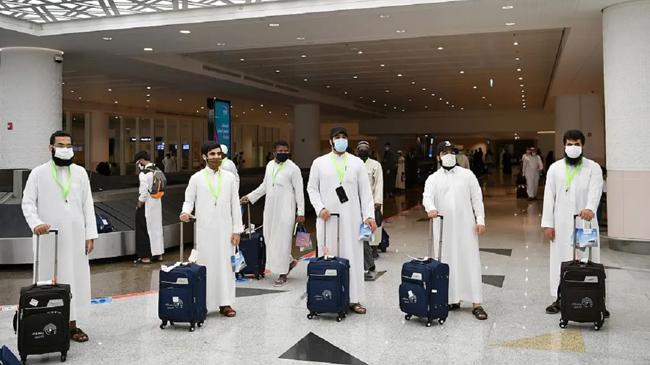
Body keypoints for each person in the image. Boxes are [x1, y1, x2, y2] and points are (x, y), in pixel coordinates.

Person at [22, 130, 97, 343]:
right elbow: (27, 202)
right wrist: (36, 224)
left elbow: (87, 204)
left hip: (75, 238)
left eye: (68, 145)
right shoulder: (38, 173)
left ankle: (73, 325)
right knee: (49, 280)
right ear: (51, 148)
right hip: (49, 240)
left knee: (76, 279)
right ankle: (45, 324)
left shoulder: (80, 173)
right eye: (61, 145)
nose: (65, 149)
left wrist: (90, 234)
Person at [307, 127, 377, 314]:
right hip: (327, 218)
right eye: (337, 138)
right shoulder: (319, 163)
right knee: (328, 256)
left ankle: (354, 299)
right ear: (330, 141)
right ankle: (327, 297)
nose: (341, 140)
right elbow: (312, 188)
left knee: (352, 256)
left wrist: (368, 215)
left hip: (352, 218)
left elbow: (365, 192)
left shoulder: (356, 163)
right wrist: (319, 208)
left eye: (344, 137)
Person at [541, 130, 608, 317]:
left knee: (588, 260)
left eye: (576, 144)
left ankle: (596, 299)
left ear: (583, 145)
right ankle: (559, 297)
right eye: (569, 144)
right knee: (560, 259)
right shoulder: (555, 168)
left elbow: (596, 190)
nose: (573, 147)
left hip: (585, 224)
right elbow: (549, 197)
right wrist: (548, 224)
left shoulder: (593, 167)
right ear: (564, 145)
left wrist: (590, 208)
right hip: (561, 224)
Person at [422, 141, 488, 320]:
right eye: (444, 152)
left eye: (451, 152)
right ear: (438, 157)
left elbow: (477, 198)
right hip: (443, 229)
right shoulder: (433, 178)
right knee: (446, 262)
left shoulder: (467, 175)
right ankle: (452, 299)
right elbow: (427, 196)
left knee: (469, 261)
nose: (448, 155)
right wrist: (430, 208)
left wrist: (480, 220)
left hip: (466, 227)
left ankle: (476, 303)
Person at [180, 142, 242, 317]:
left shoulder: (229, 178)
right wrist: (185, 212)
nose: (216, 157)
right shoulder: (196, 178)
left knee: (225, 267)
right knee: (205, 266)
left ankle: (226, 303)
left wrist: (237, 230)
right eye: (212, 154)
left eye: (218, 154)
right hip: (205, 231)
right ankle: (203, 303)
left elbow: (235, 206)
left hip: (226, 231)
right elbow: (188, 200)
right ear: (204, 157)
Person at [240, 140, 305, 286]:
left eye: (285, 151)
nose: (283, 153)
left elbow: (299, 191)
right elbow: (264, 186)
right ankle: (289, 262)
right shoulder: (270, 165)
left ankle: (283, 273)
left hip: (286, 209)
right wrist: (250, 197)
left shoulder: (293, 169)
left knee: (283, 240)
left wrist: (300, 212)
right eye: (280, 151)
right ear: (274, 152)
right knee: (269, 238)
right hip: (270, 209)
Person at [356, 141, 384, 279]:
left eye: (365, 148)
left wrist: (377, 202)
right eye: (360, 148)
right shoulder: (353, 163)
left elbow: (379, 183)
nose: (363, 150)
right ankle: (368, 264)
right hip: (354, 205)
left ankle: (369, 263)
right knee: (360, 237)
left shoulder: (375, 165)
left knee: (365, 235)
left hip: (369, 204)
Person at [133, 151, 164, 264]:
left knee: (143, 229)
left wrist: (139, 204)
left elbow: (144, 192)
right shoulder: (157, 169)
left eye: (138, 163)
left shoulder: (144, 173)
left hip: (147, 206)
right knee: (156, 229)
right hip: (157, 203)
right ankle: (158, 254)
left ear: (141, 161)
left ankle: (145, 256)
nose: (138, 166)